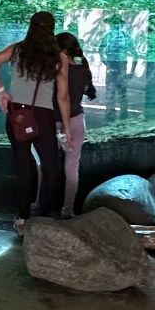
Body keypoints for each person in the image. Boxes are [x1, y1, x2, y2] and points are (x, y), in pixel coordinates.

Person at [0, 11, 73, 237]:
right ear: (52, 29)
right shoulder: (59, 57)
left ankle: (23, 218)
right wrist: (66, 128)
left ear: (31, 26)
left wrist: (1, 91)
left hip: (17, 116)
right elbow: (63, 96)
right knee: (51, 168)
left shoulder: (18, 49)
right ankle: (44, 216)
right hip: (43, 117)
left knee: (24, 167)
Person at [54, 32, 97, 218]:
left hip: (54, 122)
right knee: (72, 168)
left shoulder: (54, 70)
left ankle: (40, 204)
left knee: (43, 166)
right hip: (77, 121)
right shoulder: (82, 70)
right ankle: (68, 209)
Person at [98, 14, 136, 122]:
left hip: (120, 67)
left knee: (121, 93)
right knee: (111, 93)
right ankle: (110, 117)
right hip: (112, 67)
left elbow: (135, 54)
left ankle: (122, 117)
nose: (113, 26)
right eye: (112, 24)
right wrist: (105, 62)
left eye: (115, 24)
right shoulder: (108, 36)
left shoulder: (125, 37)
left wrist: (131, 71)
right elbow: (101, 50)